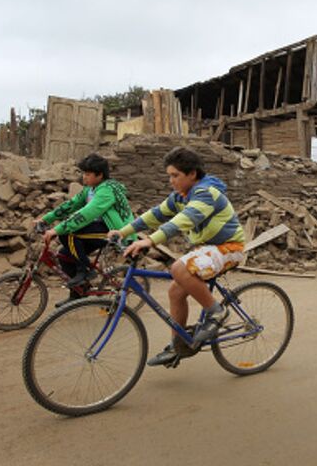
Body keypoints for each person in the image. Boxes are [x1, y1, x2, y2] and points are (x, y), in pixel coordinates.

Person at [110, 146, 244, 366]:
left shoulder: (205, 193)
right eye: (169, 176)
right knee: (175, 292)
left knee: (178, 269)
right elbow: (154, 215)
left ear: (192, 174)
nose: (171, 180)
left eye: (175, 175)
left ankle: (217, 313)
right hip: (207, 250)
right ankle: (179, 345)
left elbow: (185, 220)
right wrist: (123, 232)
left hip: (229, 248)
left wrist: (150, 240)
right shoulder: (179, 196)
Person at [36, 153, 135, 306]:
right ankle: (78, 292)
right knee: (64, 255)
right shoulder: (90, 189)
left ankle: (86, 270)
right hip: (96, 229)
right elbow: (71, 205)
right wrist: (46, 219)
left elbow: (88, 213)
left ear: (99, 175)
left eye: (88, 174)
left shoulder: (107, 190)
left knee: (68, 233)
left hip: (113, 231)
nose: (84, 177)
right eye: (83, 173)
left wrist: (57, 229)